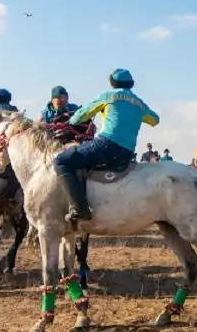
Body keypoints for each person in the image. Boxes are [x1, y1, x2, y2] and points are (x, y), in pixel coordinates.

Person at [53, 68, 159, 222]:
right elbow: (155, 120)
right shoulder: (138, 102)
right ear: (130, 84)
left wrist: (70, 120)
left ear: (112, 82)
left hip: (106, 145)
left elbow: (80, 117)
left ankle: (79, 208)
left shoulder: (108, 96)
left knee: (61, 161)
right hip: (127, 152)